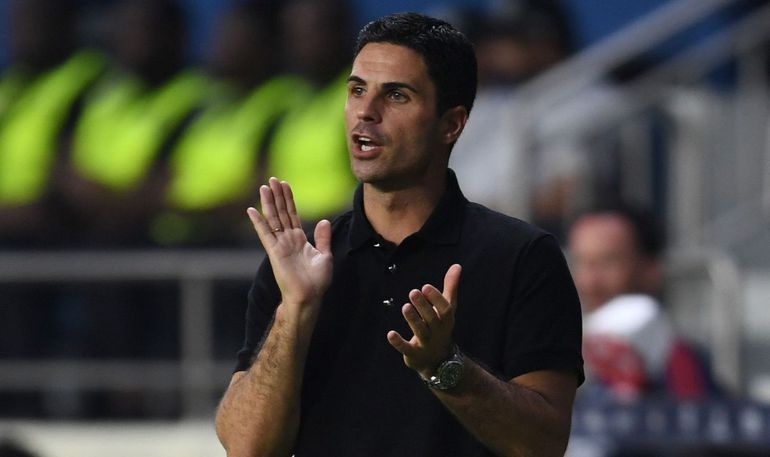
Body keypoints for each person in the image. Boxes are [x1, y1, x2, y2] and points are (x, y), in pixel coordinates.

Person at [216, 12, 583, 456]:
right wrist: (294, 311)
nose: (365, 112)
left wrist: (445, 367)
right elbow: (246, 447)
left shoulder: (522, 256)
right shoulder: (300, 257)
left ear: (451, 124)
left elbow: (544, 445)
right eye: (357, 90)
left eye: (396, 95)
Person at [567, 204, 715, 400]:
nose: (589, 282)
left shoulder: (684, 369)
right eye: (581, 263)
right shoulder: (557, 360)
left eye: (607, 263)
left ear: (651, 269)